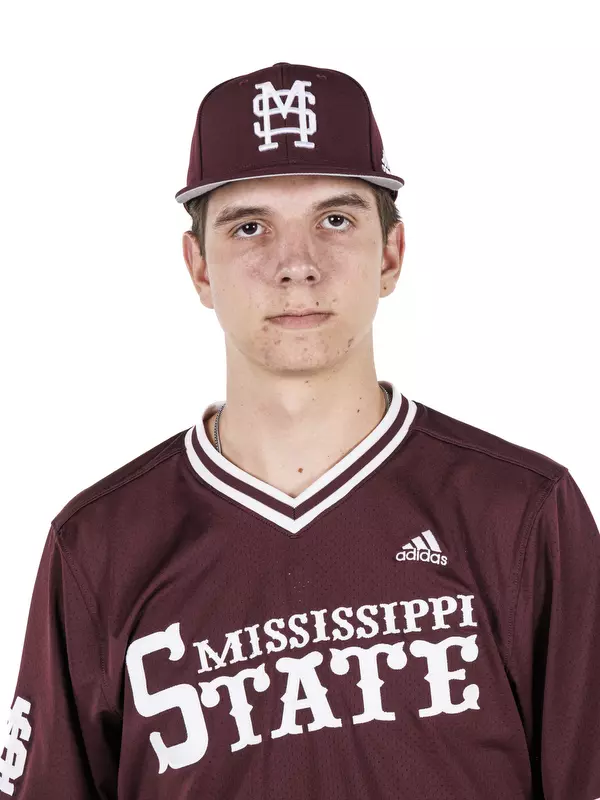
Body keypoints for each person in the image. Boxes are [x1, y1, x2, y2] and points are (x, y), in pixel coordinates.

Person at [1, 61, 599, 800]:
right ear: (198, 267)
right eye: (250, 227)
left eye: (335, 220)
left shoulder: (523, 513)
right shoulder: (98, 547)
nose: (296, 265)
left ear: (391, 254)